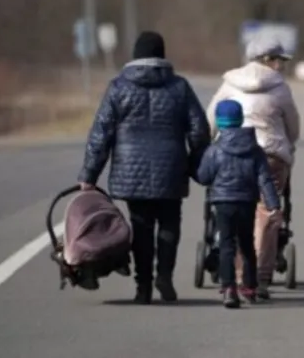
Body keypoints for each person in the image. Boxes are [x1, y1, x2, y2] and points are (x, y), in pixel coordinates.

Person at [77, 30, 211, 305]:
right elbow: (199, 129)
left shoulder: (118, 88)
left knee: (141, 226)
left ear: (135, 55)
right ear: (162, 54)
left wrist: (89, 174)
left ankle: (144, 287)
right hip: (171, 167)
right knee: (170, 223)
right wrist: (194, 162)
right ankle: (165, 276)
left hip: (131, 171)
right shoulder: (179, 87)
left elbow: (101, 134)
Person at [205, 36, 300, 300]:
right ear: (268, 60)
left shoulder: (229, 84)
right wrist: (288, 146)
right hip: (270, 155)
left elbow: (211, 121)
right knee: (267, 215)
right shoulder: (280, 88)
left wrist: (212, 148)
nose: (282, 66)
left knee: (238, 212)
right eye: (279, 60)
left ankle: (238, 276)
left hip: (230, 156)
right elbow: (293, 126)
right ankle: (260, 277)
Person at [195, 99, 281, 309]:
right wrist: (273, 204)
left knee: (226, 244)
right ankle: (249, 286)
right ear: (241, 119)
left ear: (219, 122)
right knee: (246, 244)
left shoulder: (215, 150)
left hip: (223, 202)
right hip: (246, 201)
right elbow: (265, 179)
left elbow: (204, 176)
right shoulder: (255, 150)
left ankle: (229, 288)